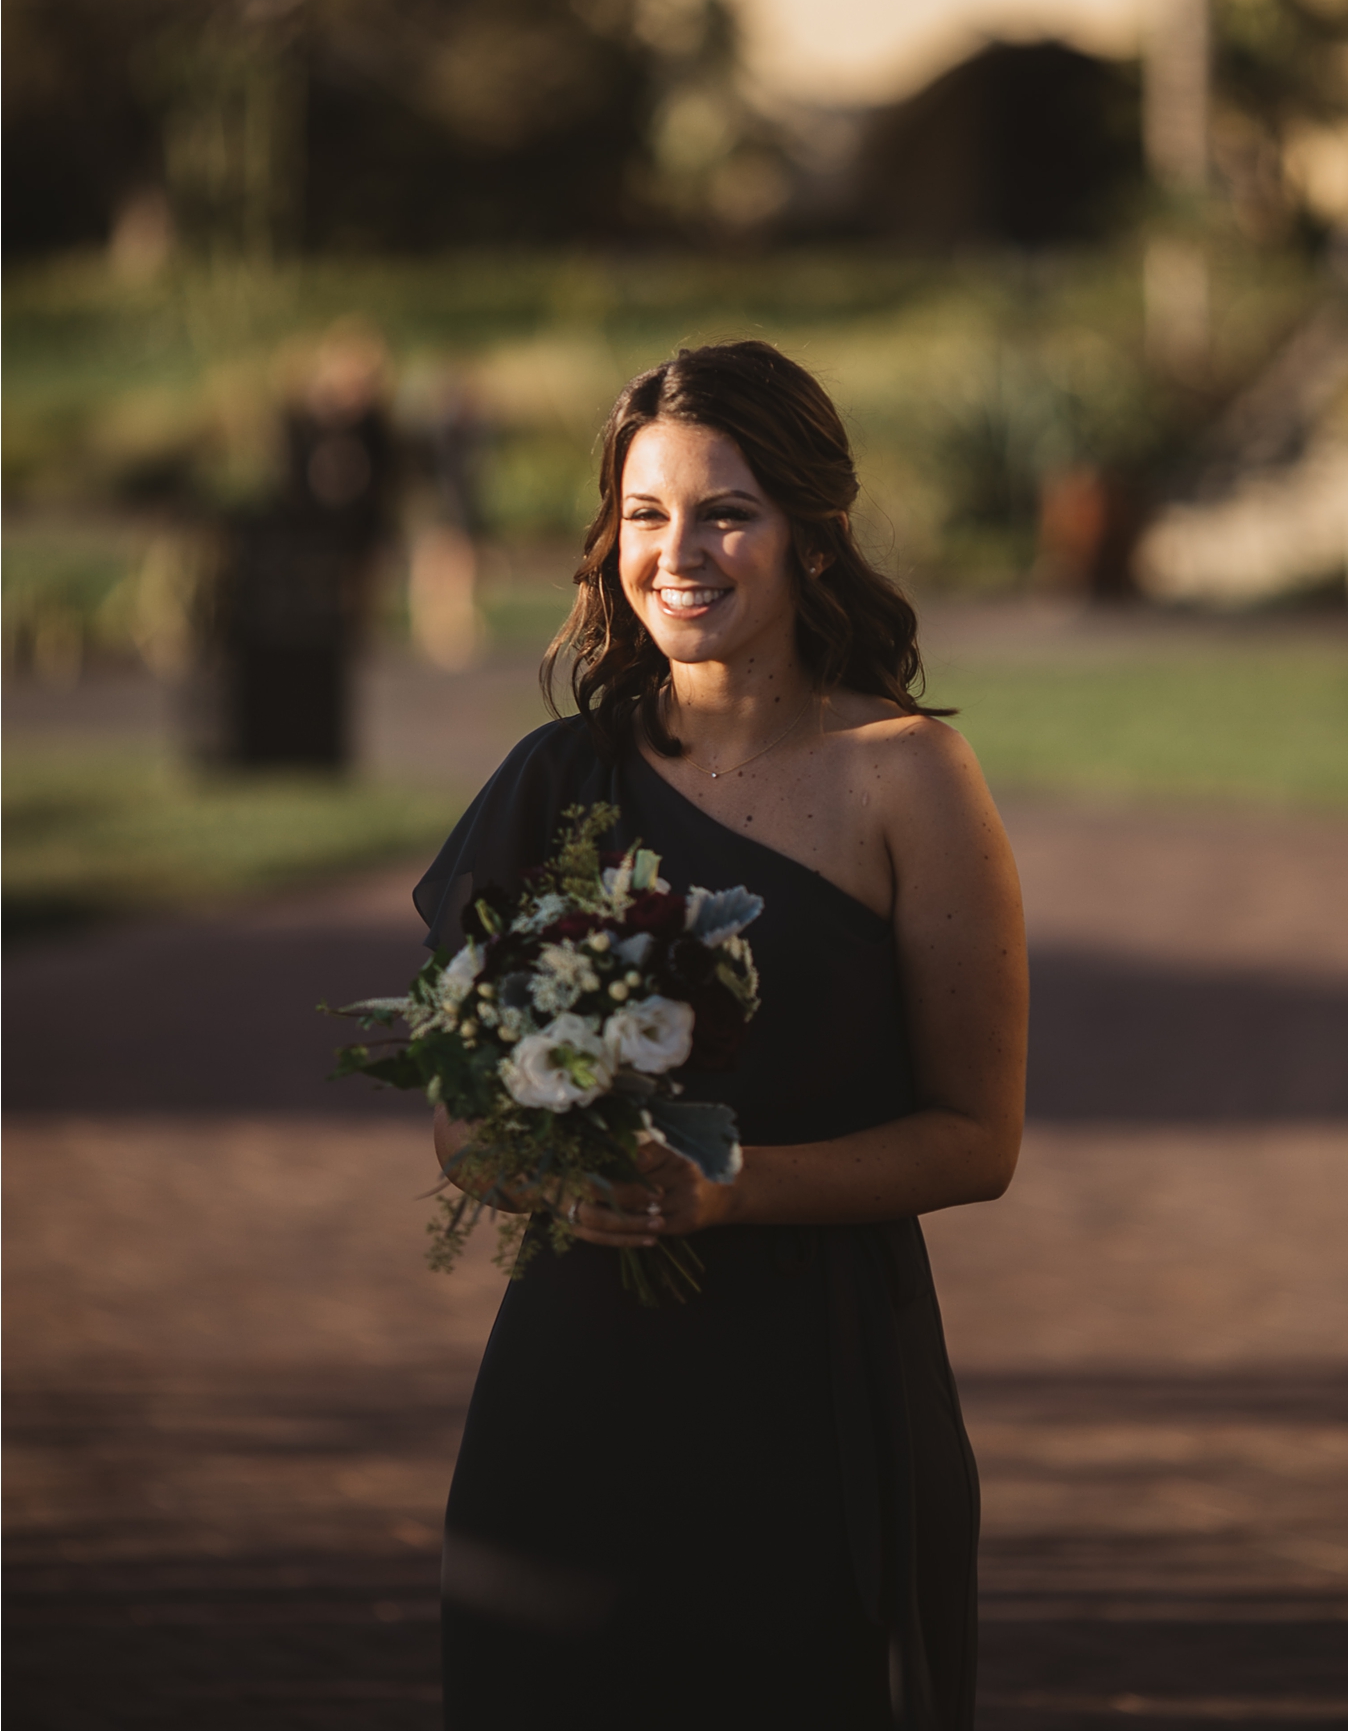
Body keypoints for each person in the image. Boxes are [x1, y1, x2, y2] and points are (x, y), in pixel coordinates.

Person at [415, 340, 1028, 1731]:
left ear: (812, 537)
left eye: (726, 512)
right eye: (645, 514)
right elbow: (462, 1120)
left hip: (818, 1398)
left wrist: (729, 1186)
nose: (678, 551)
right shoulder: (551, 782)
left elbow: (978, 1138)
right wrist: (560, 1174)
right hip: (570, 1397)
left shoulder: (910, 779)